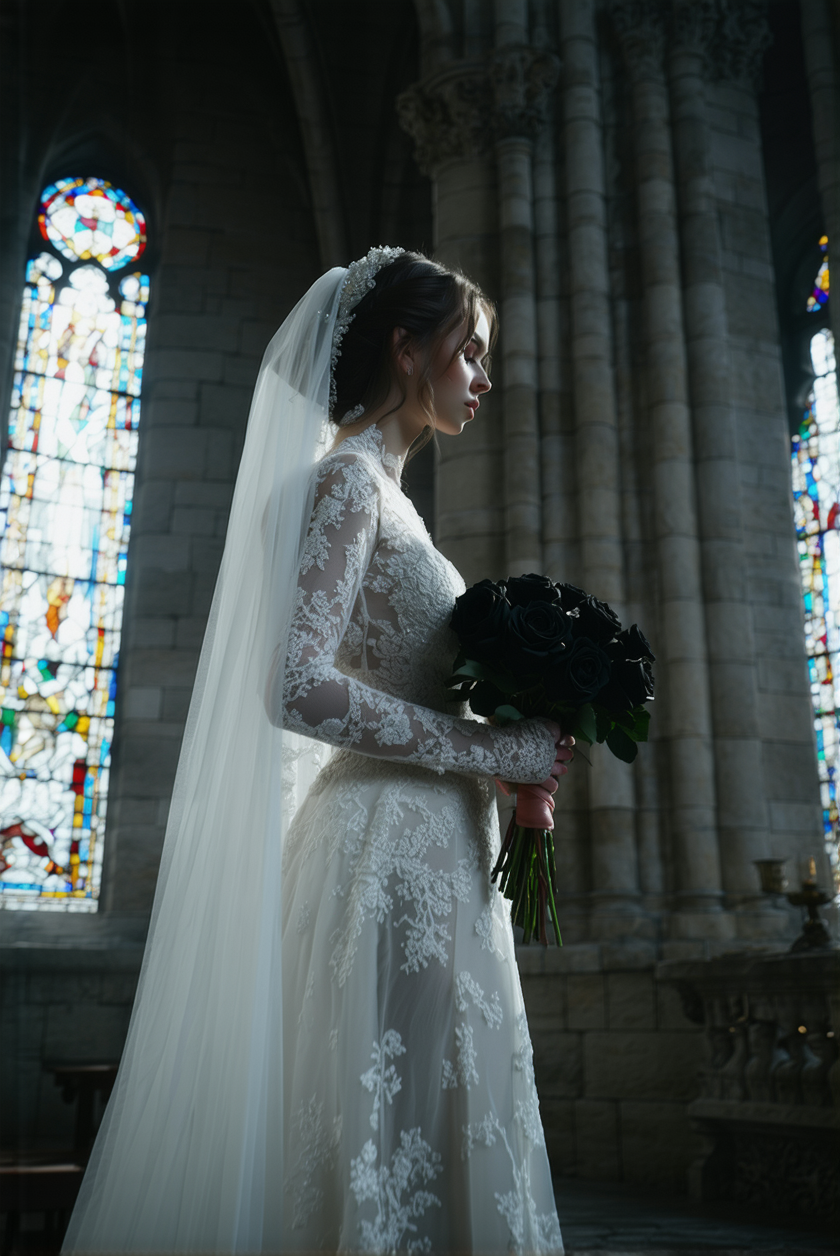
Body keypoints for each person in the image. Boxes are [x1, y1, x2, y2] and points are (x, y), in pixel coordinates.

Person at [62, 247, 573, 1256]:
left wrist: (510, 751)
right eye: (466, 351)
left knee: (439, 1122)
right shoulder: (347, 485)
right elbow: (293, 683)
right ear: (405, 345)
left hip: (432, 844)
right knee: (395, 1137)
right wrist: (479, 747)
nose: (480, 375)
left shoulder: (390, 495)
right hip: (389, 847)